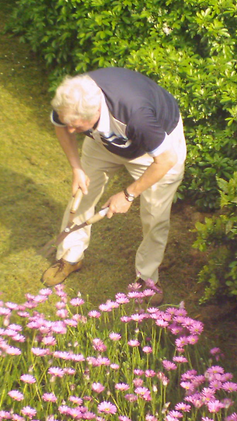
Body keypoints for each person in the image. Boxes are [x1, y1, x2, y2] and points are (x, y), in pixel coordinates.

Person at [41, 67, 186, 304]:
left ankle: (146, 279)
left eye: (75, 126)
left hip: (156, 152)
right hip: (103, 143)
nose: (70, 130)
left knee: (154, 215)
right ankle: (70, 256)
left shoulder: (137, 115)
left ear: (95, 112)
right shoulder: (71, 101)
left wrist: (129, 194)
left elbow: (166, 160)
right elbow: (61, 126)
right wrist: (76, 167)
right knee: (82, 194)